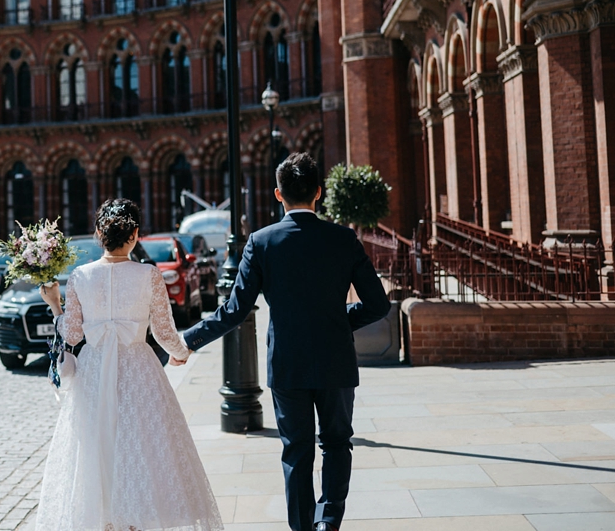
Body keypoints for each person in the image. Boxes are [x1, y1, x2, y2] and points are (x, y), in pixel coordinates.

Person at [181, 152, 390, 531]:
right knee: (337, 443)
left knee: (296, 451)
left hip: (288, 363)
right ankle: (328, 521)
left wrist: (190, 340)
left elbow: (234, 310)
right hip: (335, 360)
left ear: (279, 194)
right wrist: (341, 321)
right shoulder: (344, 239)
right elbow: (378, 304)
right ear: (319, 193)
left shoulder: (261, 242)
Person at [35, 199, 222, 531]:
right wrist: (181, 352)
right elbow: (163, 330)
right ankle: (133, 522)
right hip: (138, 369)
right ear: (136, 235)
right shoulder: (149, 275)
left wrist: (54, 306)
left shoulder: (80, 276)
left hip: (92, 372)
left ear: (97, 234)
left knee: (96, 447)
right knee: (141, 451)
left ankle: (105, 521)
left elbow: (73, 333)